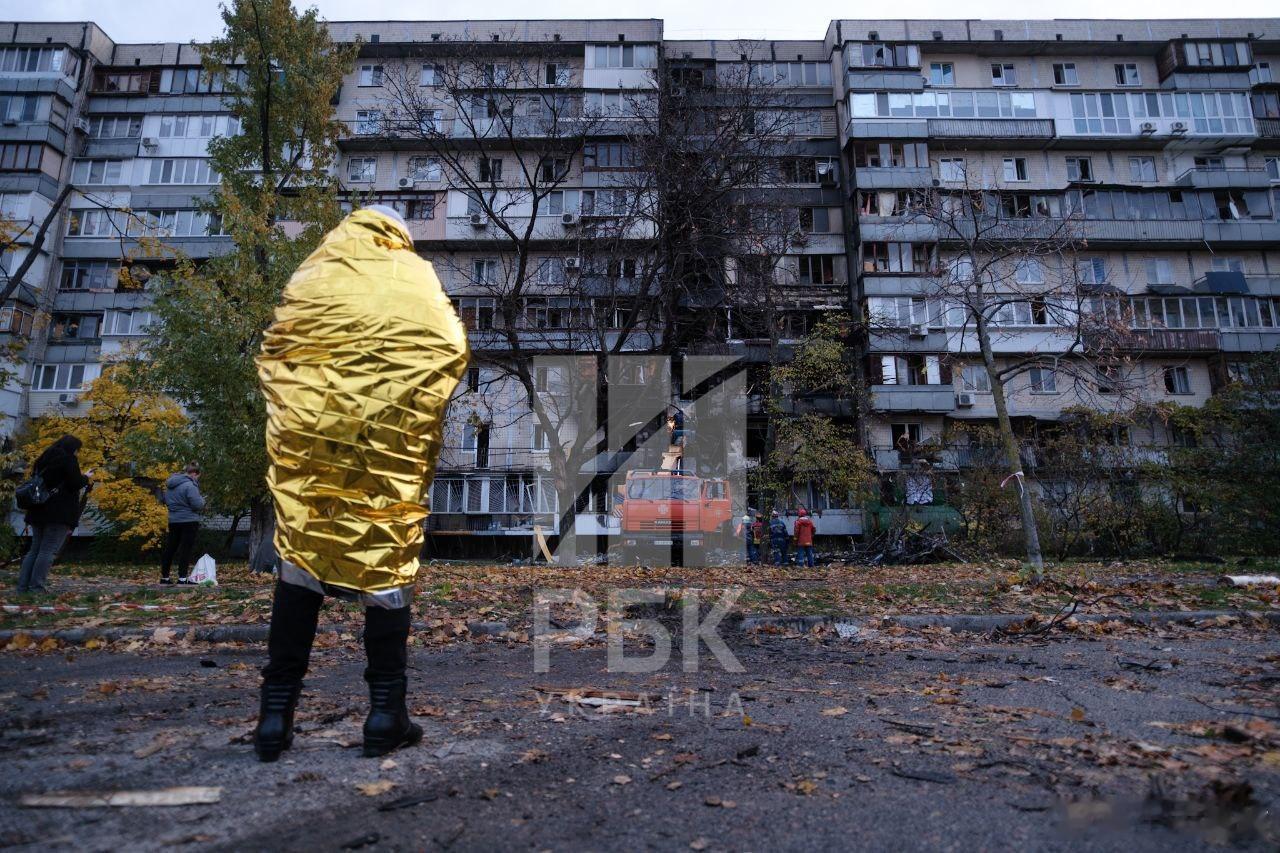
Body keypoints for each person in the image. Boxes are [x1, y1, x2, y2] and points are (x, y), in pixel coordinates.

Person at [252, 206, 469, 763]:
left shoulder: (312, 273)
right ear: (397, 235)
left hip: (309, 445)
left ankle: (275, 719)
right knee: (386, 566)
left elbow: (275, 348)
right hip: (386, 449)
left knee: (299, 563)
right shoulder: (415, 275)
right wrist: (410, 408)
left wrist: (298, 413)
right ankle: (383, 715)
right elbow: (451, 347)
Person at [17, 434, 91, 594]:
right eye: (77, 450)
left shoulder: (43, 459)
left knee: (34, 549)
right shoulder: (68, 460)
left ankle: (23, 587)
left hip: (37, 510)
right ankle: (36, 587)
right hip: (58, 512)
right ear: (73, 448)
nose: (77, 453)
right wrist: (86, 477)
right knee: (48, 550)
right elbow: (74, 483)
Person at [160, 463, 205, 584]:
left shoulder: (170, 485)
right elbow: (198, 505)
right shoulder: (190, 486)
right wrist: (202, 500)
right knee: (185, 549)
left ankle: (165, 577)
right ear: (194, 474)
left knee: (170, 548)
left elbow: (164, 500)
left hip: (173, 520)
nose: (197, 479)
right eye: (198, 476)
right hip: (189, 520)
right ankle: (182, 578)